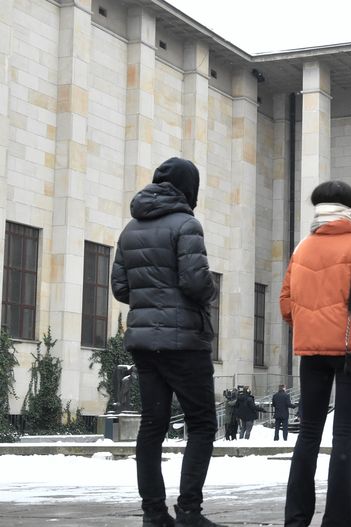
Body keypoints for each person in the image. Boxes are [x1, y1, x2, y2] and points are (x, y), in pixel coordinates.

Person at [111, 158, 222, 527]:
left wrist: (151, 299)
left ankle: (154, 513)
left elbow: (121, 288)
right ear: (188, 188)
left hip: (144, 343)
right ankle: (189, 510)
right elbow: (195, 282)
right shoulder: (187, 224)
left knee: (152, 425)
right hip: (185, 343)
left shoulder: (130, 229)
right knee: (203, 423)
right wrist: (211, 288)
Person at [280, 181, 351, 527]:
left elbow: (286, 303)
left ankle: (296, 518)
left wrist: (310, 322)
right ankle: (338, 520)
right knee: (344, 433)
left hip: (311, 352)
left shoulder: (302, 247)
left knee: (308, 433)